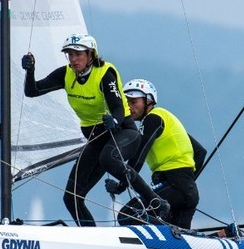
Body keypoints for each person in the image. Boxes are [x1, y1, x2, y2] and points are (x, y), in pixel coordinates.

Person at [22, 34, 169, 226]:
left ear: (90, 54)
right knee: (71, 197)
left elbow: (117, 106)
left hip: (123, 132)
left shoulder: (104, 74)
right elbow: (32, 91)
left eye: (78, 54)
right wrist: (30, 70)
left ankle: (157, 202)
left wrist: (114, 120)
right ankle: (90, 236)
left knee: (108, 159)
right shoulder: (65, 74)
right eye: (69, 55)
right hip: (97, 140)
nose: (73, 59)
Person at [106, 78, 207, 228]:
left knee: (127, 215)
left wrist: (120, 186)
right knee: (178, 243)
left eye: (134, 102)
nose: (129, 107)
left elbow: (138, 158)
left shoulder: (152, 119)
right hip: (188, 192)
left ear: (148, 101)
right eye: (126, 103)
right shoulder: (165, 118)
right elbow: (200, 152)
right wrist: (187, 186)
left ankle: (170, 228)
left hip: (172, 185)